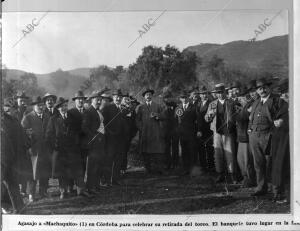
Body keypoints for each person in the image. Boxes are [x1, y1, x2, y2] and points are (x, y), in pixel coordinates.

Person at [248, 77, 282, 196]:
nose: (262, 90)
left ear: (269, 88)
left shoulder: (276, 101)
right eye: (259, 89)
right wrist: (250, 130)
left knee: (270, 163)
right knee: (258, 163)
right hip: (255, 137)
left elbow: (282, 118)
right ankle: (261, 188)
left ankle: (276, 191)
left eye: (264, 88)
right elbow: (251, 118)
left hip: (268, 136)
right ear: (257, 91)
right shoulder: (256, 102)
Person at [205, 83, 237, 184]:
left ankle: (232, 175)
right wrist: (209, 117)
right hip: (216, 132)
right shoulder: (212, 104)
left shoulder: (231, 102)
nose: (219, 95)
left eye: (221, 92)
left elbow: (237, 116)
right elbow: (206, 118)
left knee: (230, 153)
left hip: (228, 132)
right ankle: (220, 174)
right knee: (217, 154)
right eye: (217, 93)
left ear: (225, 92)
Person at [21, 96, 51, 200]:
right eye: (39, 105)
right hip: (33, 150)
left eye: (42, 105)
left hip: (45, 149)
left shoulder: (47, 116)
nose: (41, 107)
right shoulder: (28, 117)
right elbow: (23, 133)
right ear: (34, 106)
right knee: (32, 173)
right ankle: (31, 194)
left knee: (44, 171)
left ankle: (43, 191)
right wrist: (30, 142)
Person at [1, 100, 27, 213]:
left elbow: (20, 136)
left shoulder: (12, 120)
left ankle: (19, 207)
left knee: (12, 183)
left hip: (9, 157)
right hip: (4, 157)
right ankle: (7, 206)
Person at [46, 97, 72, 199]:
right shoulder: (53, 119)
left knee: (69, 169)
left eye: (65, 106)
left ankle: (69, 188)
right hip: (59, 150)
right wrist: (54, 145)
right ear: (58, 108)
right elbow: (48, 135)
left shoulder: (71, 118)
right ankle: (62, 191)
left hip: (70, 149)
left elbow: (75, 132)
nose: (64, 108)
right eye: (61, 107)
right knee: (61, 171)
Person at [136, 88, 166, 175]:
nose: (148, 96)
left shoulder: (157, 106)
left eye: (149, 95)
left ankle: (158, 169)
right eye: (146, 95)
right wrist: (141, 128)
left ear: (152, 96)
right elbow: (137, 120)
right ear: (144, 97)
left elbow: (164, 116)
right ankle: (148, 169)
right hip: (145, 133)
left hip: (155, 132)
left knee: (156, 151)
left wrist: (157, 115)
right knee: (146, 152)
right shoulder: (141, 107)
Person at [67, 91, 91, 197]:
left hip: (85, 144)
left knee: (83, 165)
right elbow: (70, 128)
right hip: (74, 144)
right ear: (75, 101)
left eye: (82, 99)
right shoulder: (70, 112)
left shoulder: (87, 112)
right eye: (78, 99)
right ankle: (69, 187)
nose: (80, 100)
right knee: (73, 166)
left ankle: (80, 188)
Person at [82, 91, 107, 192]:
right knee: (91, 166)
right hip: (93, 143)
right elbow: (84, 127)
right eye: (97, 99)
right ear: (92, 100)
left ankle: (96, 185)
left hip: (100, 142)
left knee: (98, 164)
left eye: (100, 100)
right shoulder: (88, 111)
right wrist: (94, 136)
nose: (99, 101)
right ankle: (89, 187)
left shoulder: (98, 111)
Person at [271, 78, 289, 203]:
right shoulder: (284, 103)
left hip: (289, 140)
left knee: (288, 167)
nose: (284, 95)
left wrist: (284, 122)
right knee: (281, 166)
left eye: (287, 92)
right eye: (282, 93)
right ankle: (283, 193)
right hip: (281, 140)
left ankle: (289, 196)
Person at [101, 89, 125, 185]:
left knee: (118, 159)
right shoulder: (107, 108)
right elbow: (103, 123)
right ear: (113, 98)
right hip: (110, 138)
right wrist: (109, 133)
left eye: (120, 97)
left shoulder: (123, 108)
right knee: (109, 159)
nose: (118, 98)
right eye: (116, 97)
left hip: (120, 139)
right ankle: (107, 180)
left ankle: (115, 179)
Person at [235, 86, 256, 187]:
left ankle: (250, 179)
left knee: (247, 160)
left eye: (242, 96)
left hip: (246, 137)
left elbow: (241, 117)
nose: (240, 99)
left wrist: (243, 112)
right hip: (241, 137)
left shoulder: (251, 105)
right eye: (239, 97)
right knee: (241, 159)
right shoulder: (245, 105)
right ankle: (246, 178)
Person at [175, 90, 198, 175]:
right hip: (182, 134)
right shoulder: (178, 108)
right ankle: (185, 169)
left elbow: (197, 120)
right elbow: (175, 121)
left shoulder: (194, 107)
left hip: (191, 133)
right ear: (180, 99)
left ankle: (193, 169)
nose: (184, 99)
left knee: (191, 151)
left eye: (185, 97)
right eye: (182, 98)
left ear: (188, 98)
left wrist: (197, 130)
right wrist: (177, 131)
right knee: (184, 151)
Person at [196, 86, 214, 172]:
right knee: (201, 148)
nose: (204, 96)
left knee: (209, 148)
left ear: (208, 94)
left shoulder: (211, 103)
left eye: (205, 94)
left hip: (208, 129)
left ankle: (211, 166)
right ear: (200, 95)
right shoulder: (198, 103)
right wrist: (198, 129)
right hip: (199, 129)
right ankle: (203, 166)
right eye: (202, 94)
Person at [120, 93, 138, 173]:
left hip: (127, 136)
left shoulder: (132, 111)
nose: (126, 101)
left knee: (124, 152)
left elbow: (135, 124)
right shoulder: (118, 109)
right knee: (118, 152)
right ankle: (117, 169)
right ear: (122, 100)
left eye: (128, 99)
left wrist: (132, 135)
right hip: (118, 135)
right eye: (125, 99)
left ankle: (123, 168)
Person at [162, 91, 179, 170]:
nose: (167, 99)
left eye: (169, 97)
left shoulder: (176, 106)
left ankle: (175, 163)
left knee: (175, 147)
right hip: (165, 129)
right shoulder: (162, 106)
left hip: (174, 129)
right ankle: (167, 164)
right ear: (164, 99)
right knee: (166, 147)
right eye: (166, 98)